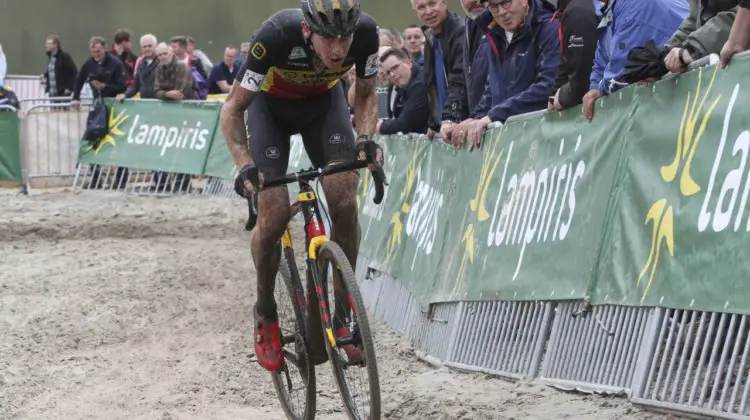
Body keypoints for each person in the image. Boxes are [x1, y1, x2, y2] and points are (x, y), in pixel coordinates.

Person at [219, 0, 384, 373]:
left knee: (344, 202)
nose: (339, 48)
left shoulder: (368, 34)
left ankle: (343, 314)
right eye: (329, 39)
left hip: (324, 109)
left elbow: (367, 93)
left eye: (345, 37)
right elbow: (232, 109)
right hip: (269, 113)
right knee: (274, 216)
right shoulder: (275, 35)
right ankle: (265, 310)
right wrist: (245, 165)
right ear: (308, 31)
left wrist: (366, 137)